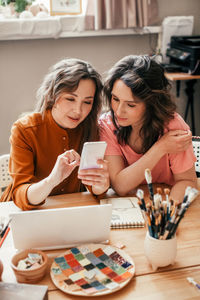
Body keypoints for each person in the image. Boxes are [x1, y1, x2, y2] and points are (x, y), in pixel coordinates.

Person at [1, 58, 109, 210]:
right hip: (20, 214)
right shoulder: (24, 130)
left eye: (87, 102)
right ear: (52, 95)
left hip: (68, 211)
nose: (78, 111)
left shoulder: (92, 129)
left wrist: (101, 185)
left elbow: (94, 191)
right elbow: (20, 194)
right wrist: (52, 180)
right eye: (70, 99)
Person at [99, 55, 197, 203]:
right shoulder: (107, 125)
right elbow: (119, 186)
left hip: (164, 200)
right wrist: (160, 148)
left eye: (131, 105)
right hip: (129, 205)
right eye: (115, 99)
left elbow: (188, 181)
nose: (118, 111)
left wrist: (167, 212)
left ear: (151, 104)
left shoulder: (173, 126)